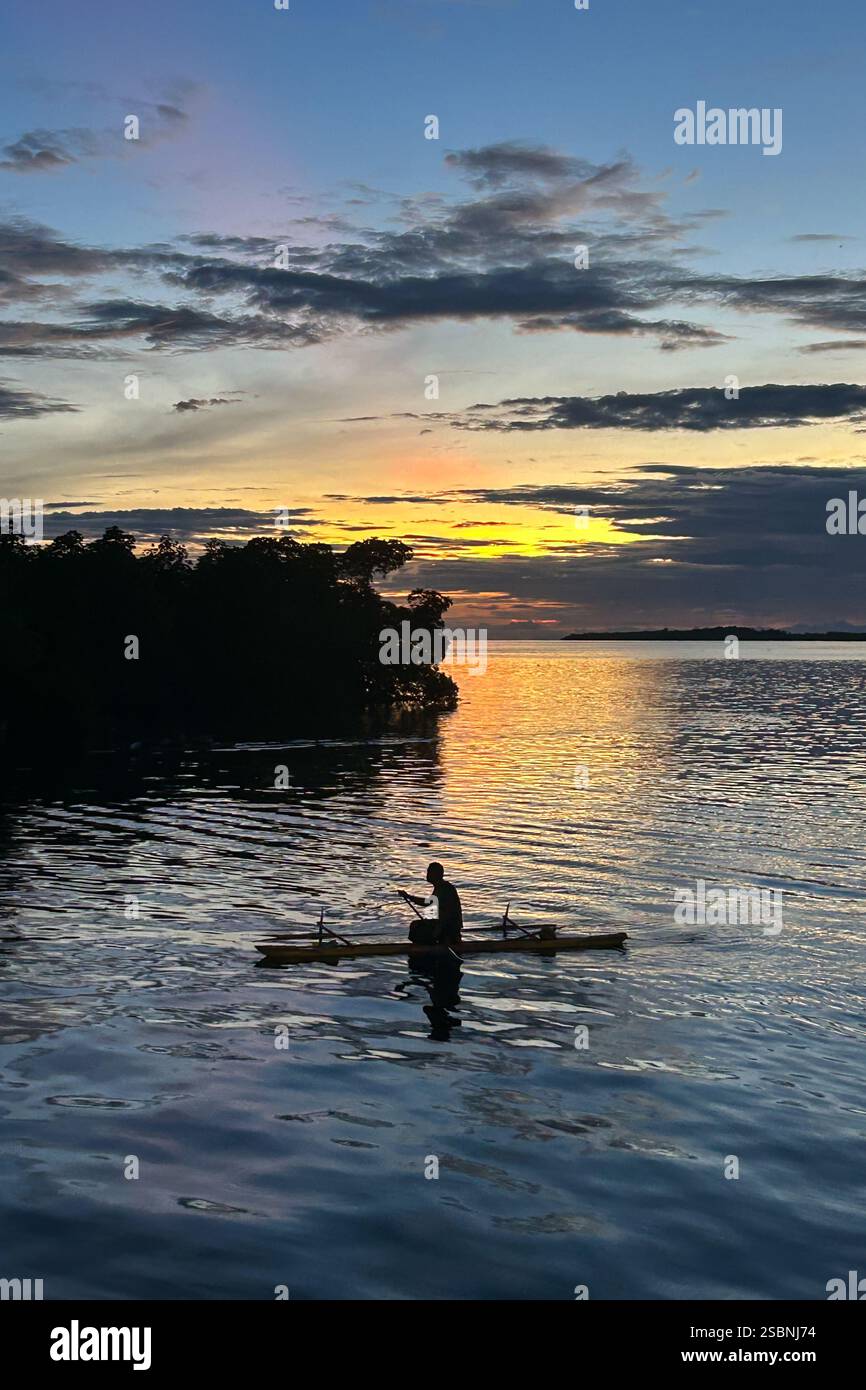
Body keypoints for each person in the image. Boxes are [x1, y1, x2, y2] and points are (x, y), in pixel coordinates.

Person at [400, 863, 463, 946]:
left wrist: (409, 897)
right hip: (442, 924)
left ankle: (430, 946)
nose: (427, 874)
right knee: (416, 925)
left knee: (417, 927)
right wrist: (409, 897)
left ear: (436, 874)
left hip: (449, 927)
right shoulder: (439, 887)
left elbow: (429, 903)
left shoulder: (445, 888)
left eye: (429, 872)